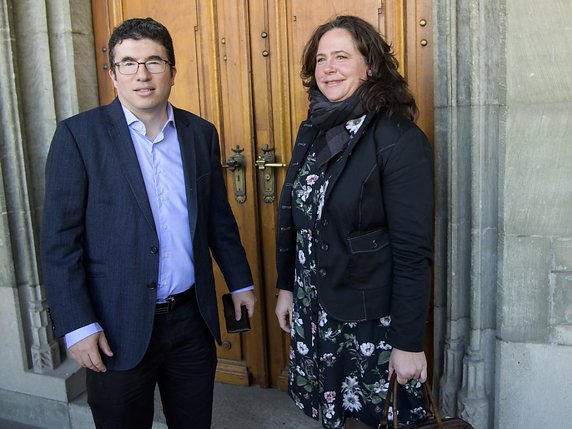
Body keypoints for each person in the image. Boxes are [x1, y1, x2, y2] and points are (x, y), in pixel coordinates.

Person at [40, 17, 256, 429]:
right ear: (112, 74)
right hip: (114, 326)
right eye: (128, 63)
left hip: (191, 319)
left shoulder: (200, 133)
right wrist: (77, 326)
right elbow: (58, 242)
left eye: (154, 61)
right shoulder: (77, 137)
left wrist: (240, 281)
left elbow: (217, 218)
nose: (142, 74)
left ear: (172, 71)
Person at [274, 15, 433, 429]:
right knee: (336, 419)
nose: (328, 68)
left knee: (378, 418)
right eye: (321, 59)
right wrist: (287, 287)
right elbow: (301, 220)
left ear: (372, 66)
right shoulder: (314, 128)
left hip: (367, 321)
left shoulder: (399, 139)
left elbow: (413, 252)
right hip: (316, 307)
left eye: (341, 57)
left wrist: (408, 344)